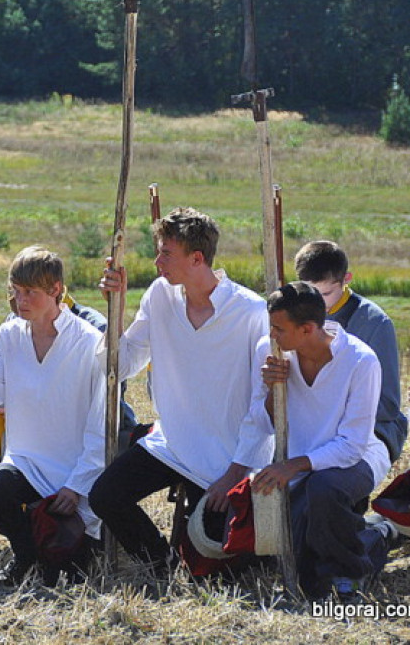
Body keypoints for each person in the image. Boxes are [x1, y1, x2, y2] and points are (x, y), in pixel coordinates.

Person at [89, 207, 272, 571]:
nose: (157, 262)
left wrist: (235, 473)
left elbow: (262, 403)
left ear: (197, 258)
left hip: (226, 458)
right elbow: (120, 365)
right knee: (104, 496)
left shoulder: (250, 312)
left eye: (166, 253)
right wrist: (118, 305)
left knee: (218, 569)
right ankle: (160, 563)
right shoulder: (159, 295)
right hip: (173, 444)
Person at [0, 246, 106, 586]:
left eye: (30, 292)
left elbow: (100, 425)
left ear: (55, 290)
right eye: (16, 292)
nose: (20, 300)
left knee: (71, 570)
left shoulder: (90, 342)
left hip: (73, 467)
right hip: (25, 461)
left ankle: (50, 560)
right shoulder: (9, 334)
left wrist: (77, 485)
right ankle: (26, 556)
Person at [252, 282, 392, 598]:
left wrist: (294, 466)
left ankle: (350, 574)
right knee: (301, 564)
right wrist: (274, 391)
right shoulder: (270, 352)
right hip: (298, 461)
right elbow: (261, 423)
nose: (272, 335)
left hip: (357, 460)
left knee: (323, 490)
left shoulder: (360, 361)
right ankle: (370, 537)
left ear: (308, 329)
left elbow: (352, 445)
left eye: (279, 329)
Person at [294, 240, 406, 463]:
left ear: (347, 279)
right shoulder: (293, 313)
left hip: (368, 430)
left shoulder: (375, 324)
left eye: (325, 294)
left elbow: (387, 405)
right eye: (309, 293)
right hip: (309, 427)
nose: (315, 304)